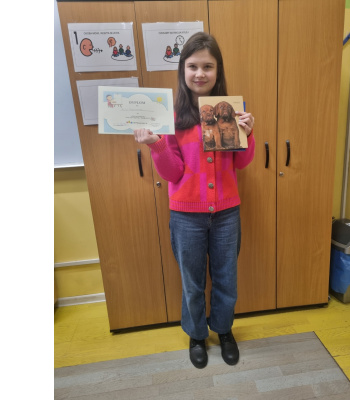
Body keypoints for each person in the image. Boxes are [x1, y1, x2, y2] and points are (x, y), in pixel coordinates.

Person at [134, 32, 255, 369]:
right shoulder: (171, 117)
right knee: (192, 282)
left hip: (226, 213)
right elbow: (173, 173)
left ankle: (224, 329)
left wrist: (248, 134)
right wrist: (156, 144)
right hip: (187, 216)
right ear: (182, 70)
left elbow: (242, 164)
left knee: (226, 278)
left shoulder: (229, 110)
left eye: (208, 66)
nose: (200, 73)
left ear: (218, 71)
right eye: (193, 66)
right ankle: (197, 334)